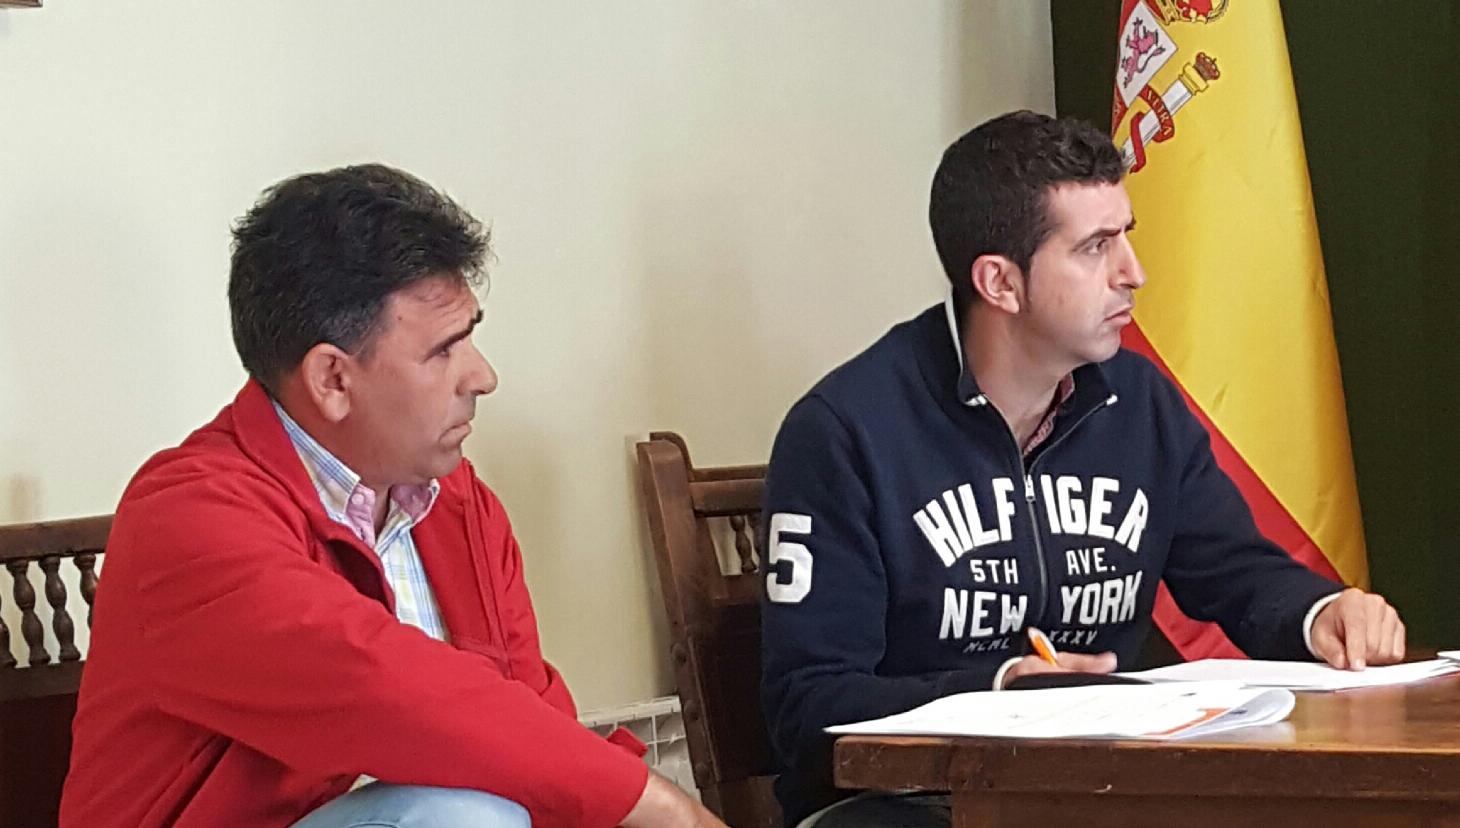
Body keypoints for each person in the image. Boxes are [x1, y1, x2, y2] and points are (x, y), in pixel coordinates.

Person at [758, 111, 1406, 828]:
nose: (1134, 272)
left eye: (1125, 234)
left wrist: (1322, 613)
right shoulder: (845, 432)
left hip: (1090, 794)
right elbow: (808, 704)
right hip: (901, 805)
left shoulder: (1139, 404)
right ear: (1000, 283)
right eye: (1097, 247)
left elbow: (1237, 573)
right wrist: (1000, 690)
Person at [61, 165, 725, 828]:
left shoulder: (458, 504)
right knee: (461, 819)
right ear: (332, 379)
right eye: (444, 351)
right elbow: (378, 687)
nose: (483, 375)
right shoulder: (186, 518)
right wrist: (662, 806)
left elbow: (533, 731)